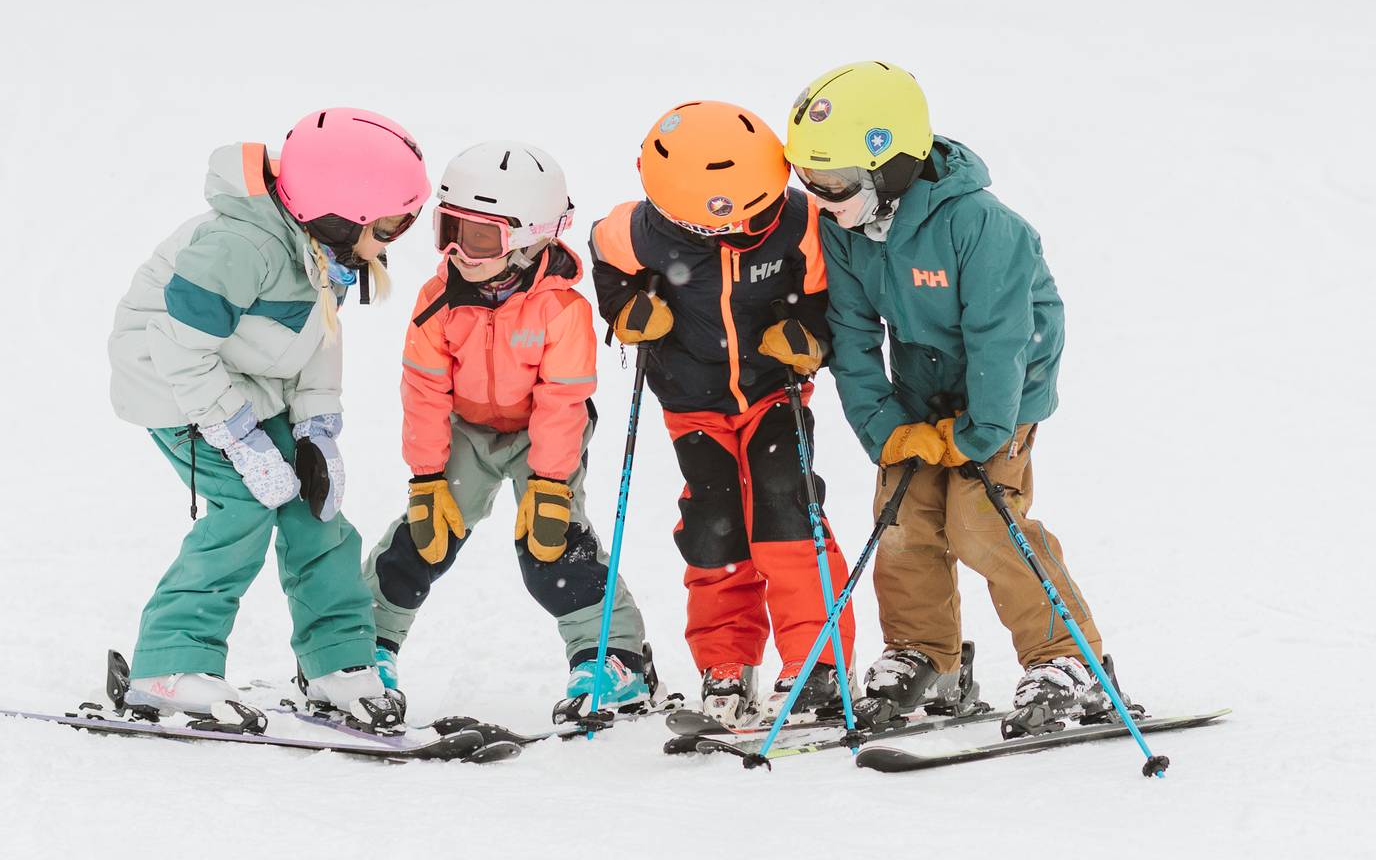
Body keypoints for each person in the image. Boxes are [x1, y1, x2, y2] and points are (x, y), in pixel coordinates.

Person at [784, 61, 1121, 735]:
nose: (820, 198)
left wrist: (980, 432)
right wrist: (885, 426)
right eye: (808, 179)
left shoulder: (983, 226)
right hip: (922, 392)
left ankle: (1067, 659)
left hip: (1004, 393)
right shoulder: (846, 229)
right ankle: (924, 654)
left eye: (835, 182)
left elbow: (1001, 338)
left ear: (890, 165)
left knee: (980, 522)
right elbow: (851, 335)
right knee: (903, 520)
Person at [108, 107, 424, 726]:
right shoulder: (239, 247)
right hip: (175, 383)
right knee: (245, 508)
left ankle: (336, 660)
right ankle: (167, 666)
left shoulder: (322, 248)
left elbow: (316, 338)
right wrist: (239, 437)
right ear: (339, 214)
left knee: (315, 509)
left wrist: (316, 428)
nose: (394, 238)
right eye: (391, 223)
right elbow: (177, 346)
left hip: (247, 381)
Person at [360, 141, 657, 718]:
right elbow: (424, 391)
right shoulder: (437, 301)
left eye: (477, 238)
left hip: (541, 435)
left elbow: (562, 400)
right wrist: (427, 478)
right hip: (465, 430)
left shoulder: (562, 309)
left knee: (552, 546)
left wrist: (550, 483)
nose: (456, 251)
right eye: (448, 231)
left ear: (530, 237)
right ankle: (361, 646)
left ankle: (613, 658)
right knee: (425, 535)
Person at [589, 101, 845, 726]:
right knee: (713, 523)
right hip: (692, 402)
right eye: (724, 225)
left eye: (755, 215)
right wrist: (625, 310)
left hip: (774, 391)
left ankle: (817, 662)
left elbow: (831, 296)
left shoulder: (801, 223)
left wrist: (810, 338)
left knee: (786, 506)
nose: (743, 231)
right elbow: (604, 252)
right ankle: (725, 660)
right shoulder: (640, 232)